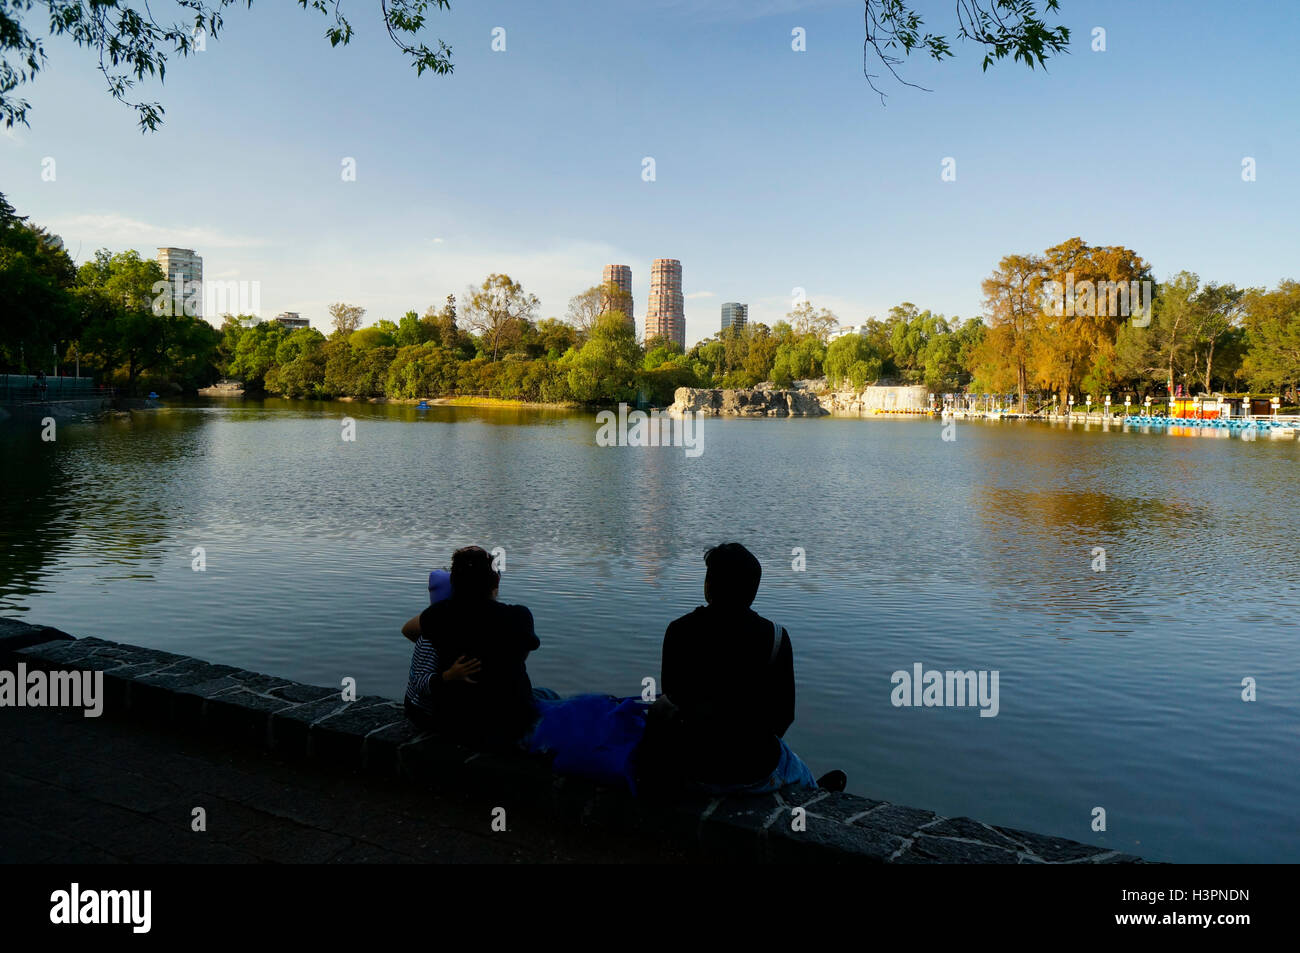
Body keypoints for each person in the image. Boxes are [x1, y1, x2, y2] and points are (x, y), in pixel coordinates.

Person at [641, 542, 845, 794]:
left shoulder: (679, 630)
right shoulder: (777, 637)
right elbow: (784, 715)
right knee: (797, 769)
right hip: (754, 769)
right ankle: (816, 792)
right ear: (753, 591)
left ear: (709, 585)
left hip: (693, 766)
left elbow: (673, 698)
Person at [400, 546, 555, 749]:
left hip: (455, 722)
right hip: (510, 722)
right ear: (496, 582)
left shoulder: (435, 618)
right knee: (547, 695)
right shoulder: (519, 617)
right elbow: (519, 657)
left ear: (453, 582)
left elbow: (409, 630)